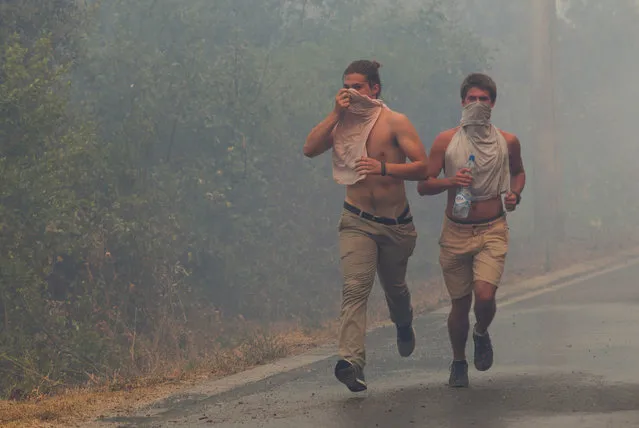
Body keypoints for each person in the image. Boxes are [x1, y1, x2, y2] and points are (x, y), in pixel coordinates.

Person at [303, 60, 429, 392]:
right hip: (357, 221)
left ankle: (403, 323)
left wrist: (383, 167)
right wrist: (334, 114)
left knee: (396, 290)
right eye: (346, 86)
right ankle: (351, 362)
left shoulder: (395, 122)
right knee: (356, 288)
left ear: (374, 88)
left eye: (357, 86)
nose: (350, 92)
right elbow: (309, 149)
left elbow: (423, 167)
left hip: (395, 226)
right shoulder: (342, 123)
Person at [417, 73, 526, 388]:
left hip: (492, 229)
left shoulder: (507, 141)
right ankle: (458, 360)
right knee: (460, 304)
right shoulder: (445, 141)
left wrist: (514, 195)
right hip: (455, 232)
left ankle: (481, 333)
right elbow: (424, 185)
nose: (477, 104)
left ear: (493, 103)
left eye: (484, 99)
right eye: (472, 98)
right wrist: (452, 182)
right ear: (462, 101)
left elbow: (518, 173)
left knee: (484, 294)